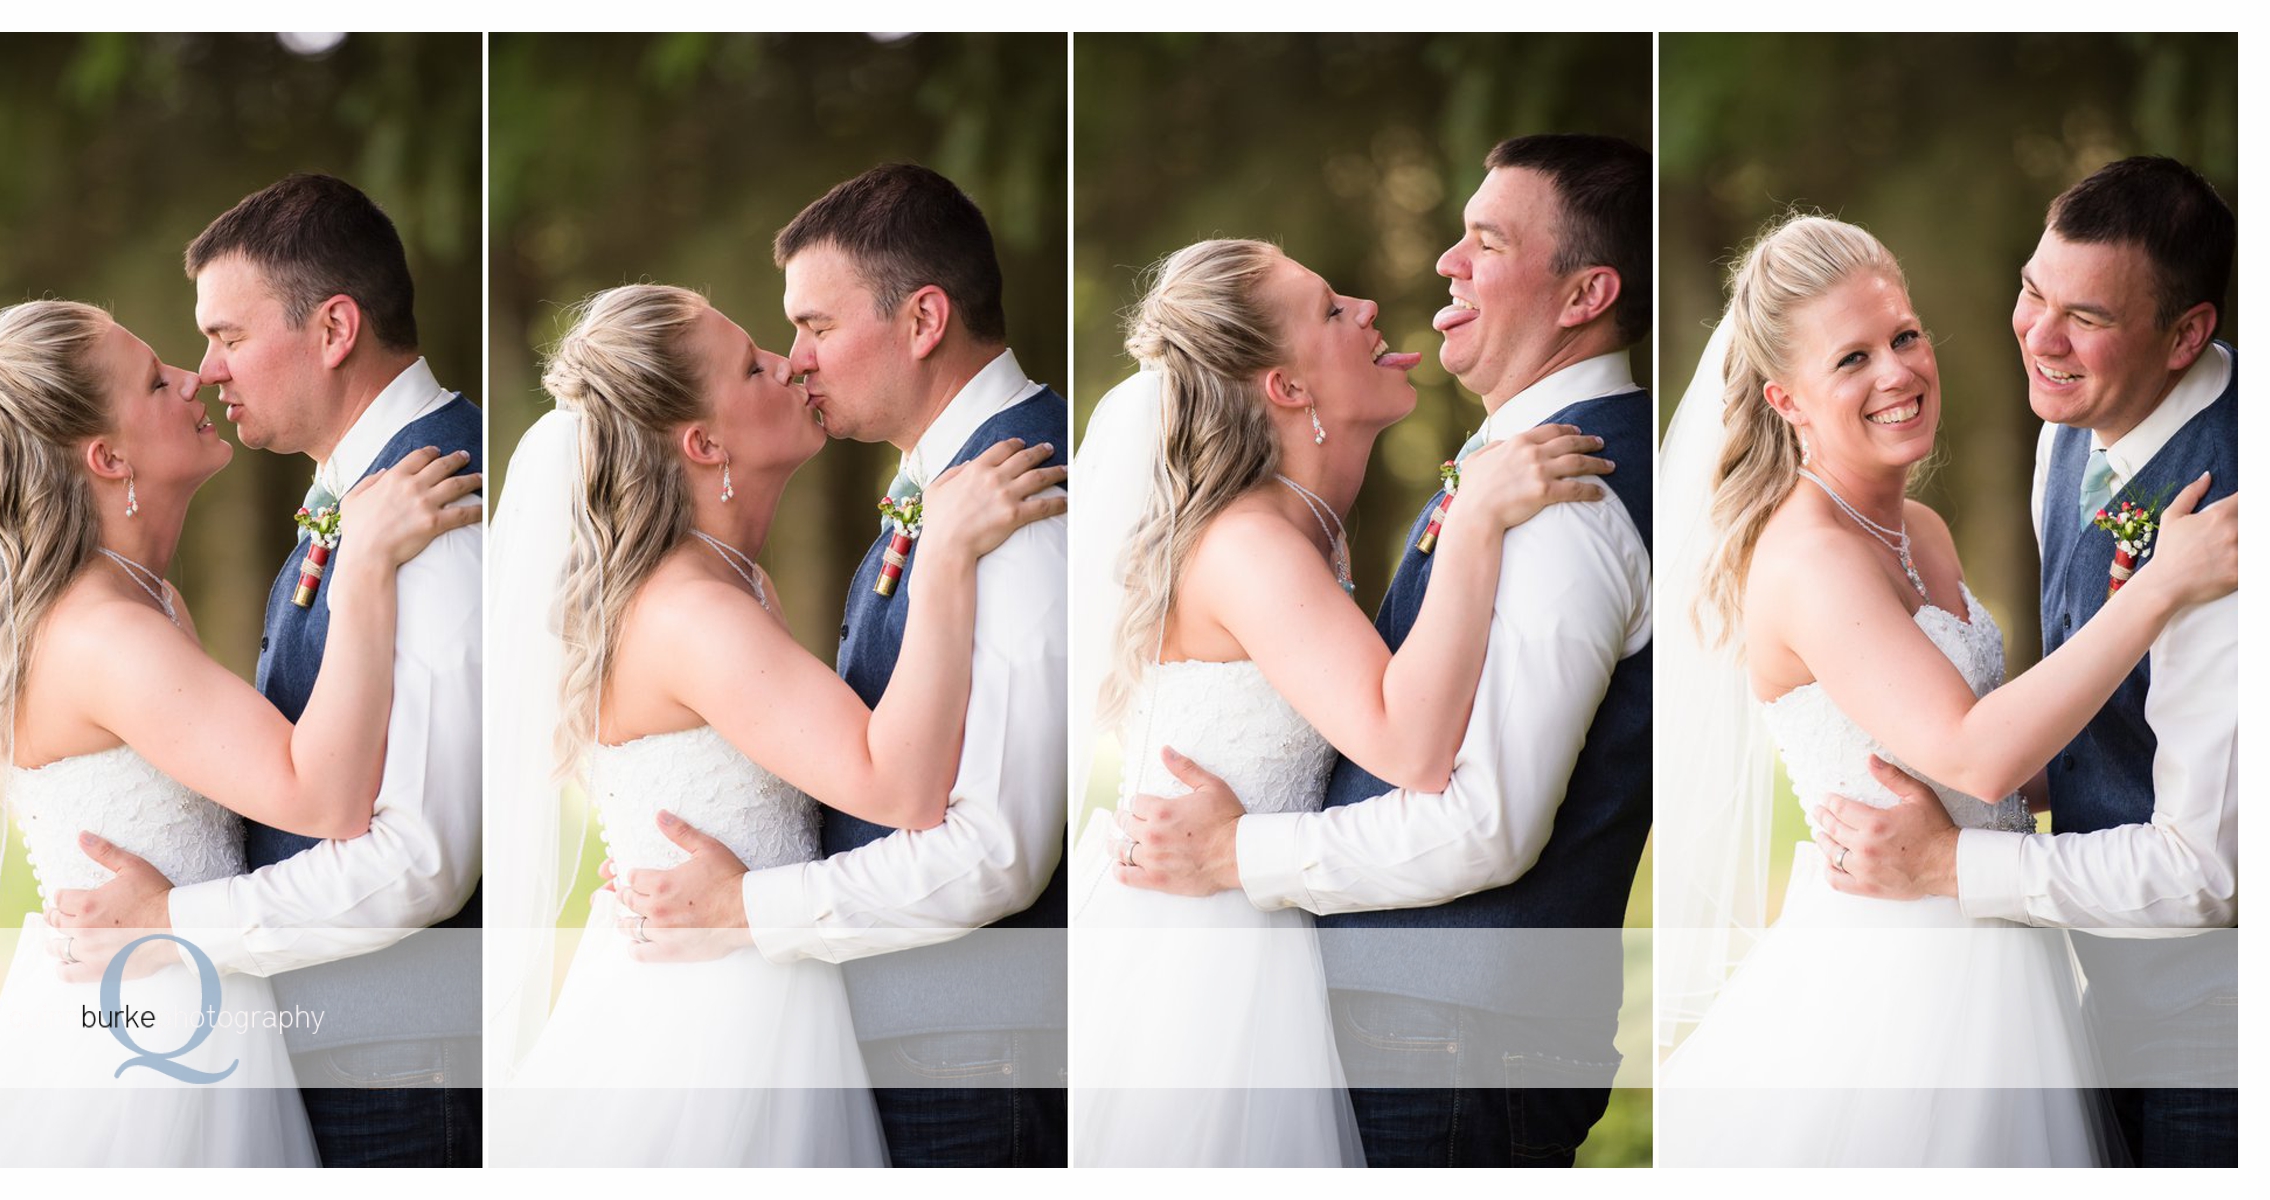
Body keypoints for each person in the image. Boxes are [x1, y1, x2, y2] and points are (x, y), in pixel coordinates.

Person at [1111, 135, 1656, 1167]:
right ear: (1283, 387)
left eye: (1483, 241)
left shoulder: (1563, 492)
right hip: (1266, 993)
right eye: (1329, 310)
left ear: (1584, 294)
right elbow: (1408, 740)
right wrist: (1480, 520)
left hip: (1441, 1029)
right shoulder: (1275, 539)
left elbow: (1478, 817)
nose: (1423, 275)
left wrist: (1240, 854)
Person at [1651, 212, 2237, 1166]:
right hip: (1901, 982)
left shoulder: (1919, 528)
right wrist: (2163, 583)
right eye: (1852, 361)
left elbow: (2007, 771)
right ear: (1786, 400)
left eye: (1905, 335)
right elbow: (1976, 750)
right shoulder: (1809, 559)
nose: (1898, 373)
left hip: (2009, 954)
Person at [484, 285, 1063, 1166]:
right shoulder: (691, 614)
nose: (790, 362)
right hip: (715, 1034)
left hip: (751, 990)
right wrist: (944, 553)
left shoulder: (727, 586)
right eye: (754, 366)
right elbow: (899, 785)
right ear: (707, 444)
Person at [0, 300, 477, 1166]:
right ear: (109, 457)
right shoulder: (105, 634)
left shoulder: (139, 600)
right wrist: (360, 565)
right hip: (157, 1056)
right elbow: (320, 794)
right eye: (154, 381)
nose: (195, 375)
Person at [48, 174, 487, 1166]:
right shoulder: (361, 501)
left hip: (404, 1071)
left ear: (333, 330)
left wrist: (173, 921)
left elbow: (421, 864)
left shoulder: (442, 517)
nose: (206, 373)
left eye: (228, 339)